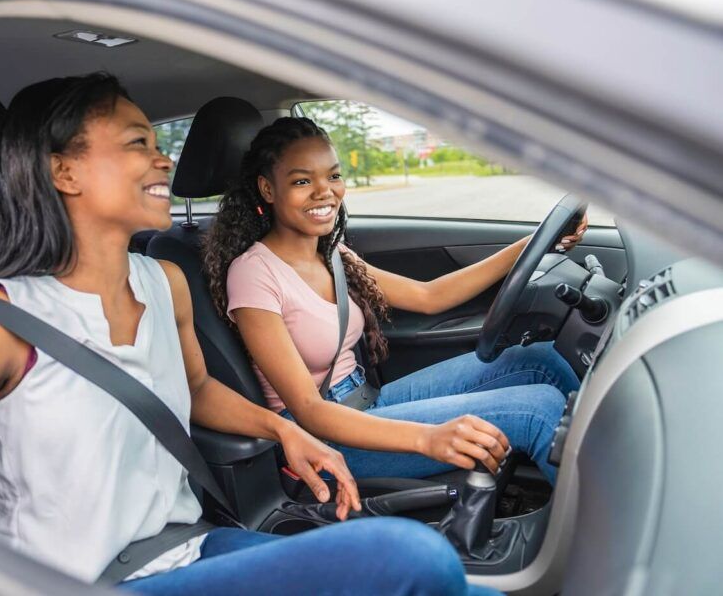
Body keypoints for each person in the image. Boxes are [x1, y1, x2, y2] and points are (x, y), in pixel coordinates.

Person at [0, 73, 500, 595]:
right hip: (71, 579)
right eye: (137, 142)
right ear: (64, 172)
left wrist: (283, 428)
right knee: (405, 560)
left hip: (186, 546)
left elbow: (194, 388)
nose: (162, 157)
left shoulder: (163, 280)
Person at [205, 117, 583, 485]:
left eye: (333, 176)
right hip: (321, 440)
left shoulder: (332, 252)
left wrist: (533, 244)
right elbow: (309, 410)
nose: (325, 191)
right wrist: (428, 438)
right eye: (302, 181)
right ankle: (605, 527)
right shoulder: (253, 273)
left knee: (538, 359)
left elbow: (429, 296)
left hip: (367, 401)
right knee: (537, 409)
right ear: (268, 190)